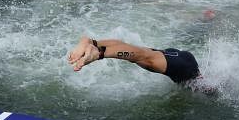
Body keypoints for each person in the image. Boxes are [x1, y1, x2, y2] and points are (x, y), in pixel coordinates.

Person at [68, 35, 201, 85]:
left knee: (141, 53)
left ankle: (93, 43)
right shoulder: (200, 84)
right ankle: (98, 52)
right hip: (185, 68)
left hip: (176, 57)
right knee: (143, 55)